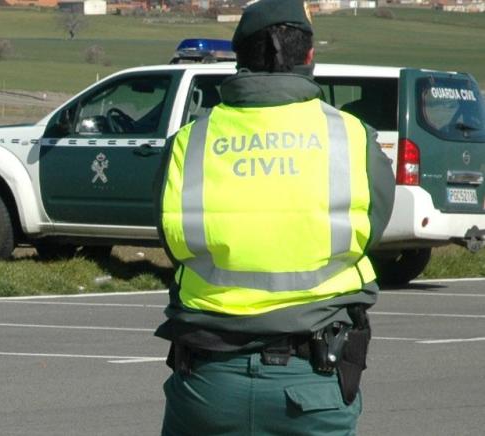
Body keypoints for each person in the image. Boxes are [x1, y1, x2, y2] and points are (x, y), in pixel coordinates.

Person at [155, 0, 396, 434]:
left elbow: (173, 241)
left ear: (239, 58)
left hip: (208, 384)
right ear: (308, 56)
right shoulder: (352, 137)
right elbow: (369, 233)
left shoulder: (190, 142)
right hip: (314, 381)